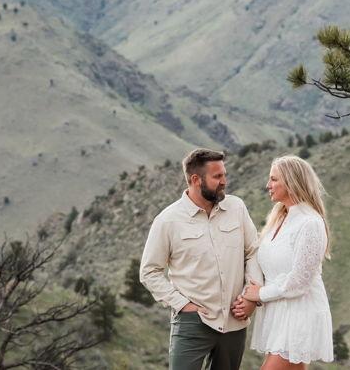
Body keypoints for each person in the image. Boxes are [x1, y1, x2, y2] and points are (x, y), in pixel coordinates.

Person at [141, 148, 262, 370]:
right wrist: (182, 305)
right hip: (192, 324)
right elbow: (149, 272)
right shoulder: (167, 221)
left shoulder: (236, 207)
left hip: (234, 322)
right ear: (196, 180)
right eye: (217, 176)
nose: (224, 181)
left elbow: (253, 251)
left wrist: (251, 297)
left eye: (224, 174)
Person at [237, 155, 334, 367]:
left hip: (299, 314)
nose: (268, 185)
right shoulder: (280, 218)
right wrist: (250, 293)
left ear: (291, 182)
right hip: (278, 314)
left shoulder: (310, 223)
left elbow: (299, 282)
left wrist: (260, 294)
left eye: (274, 179)